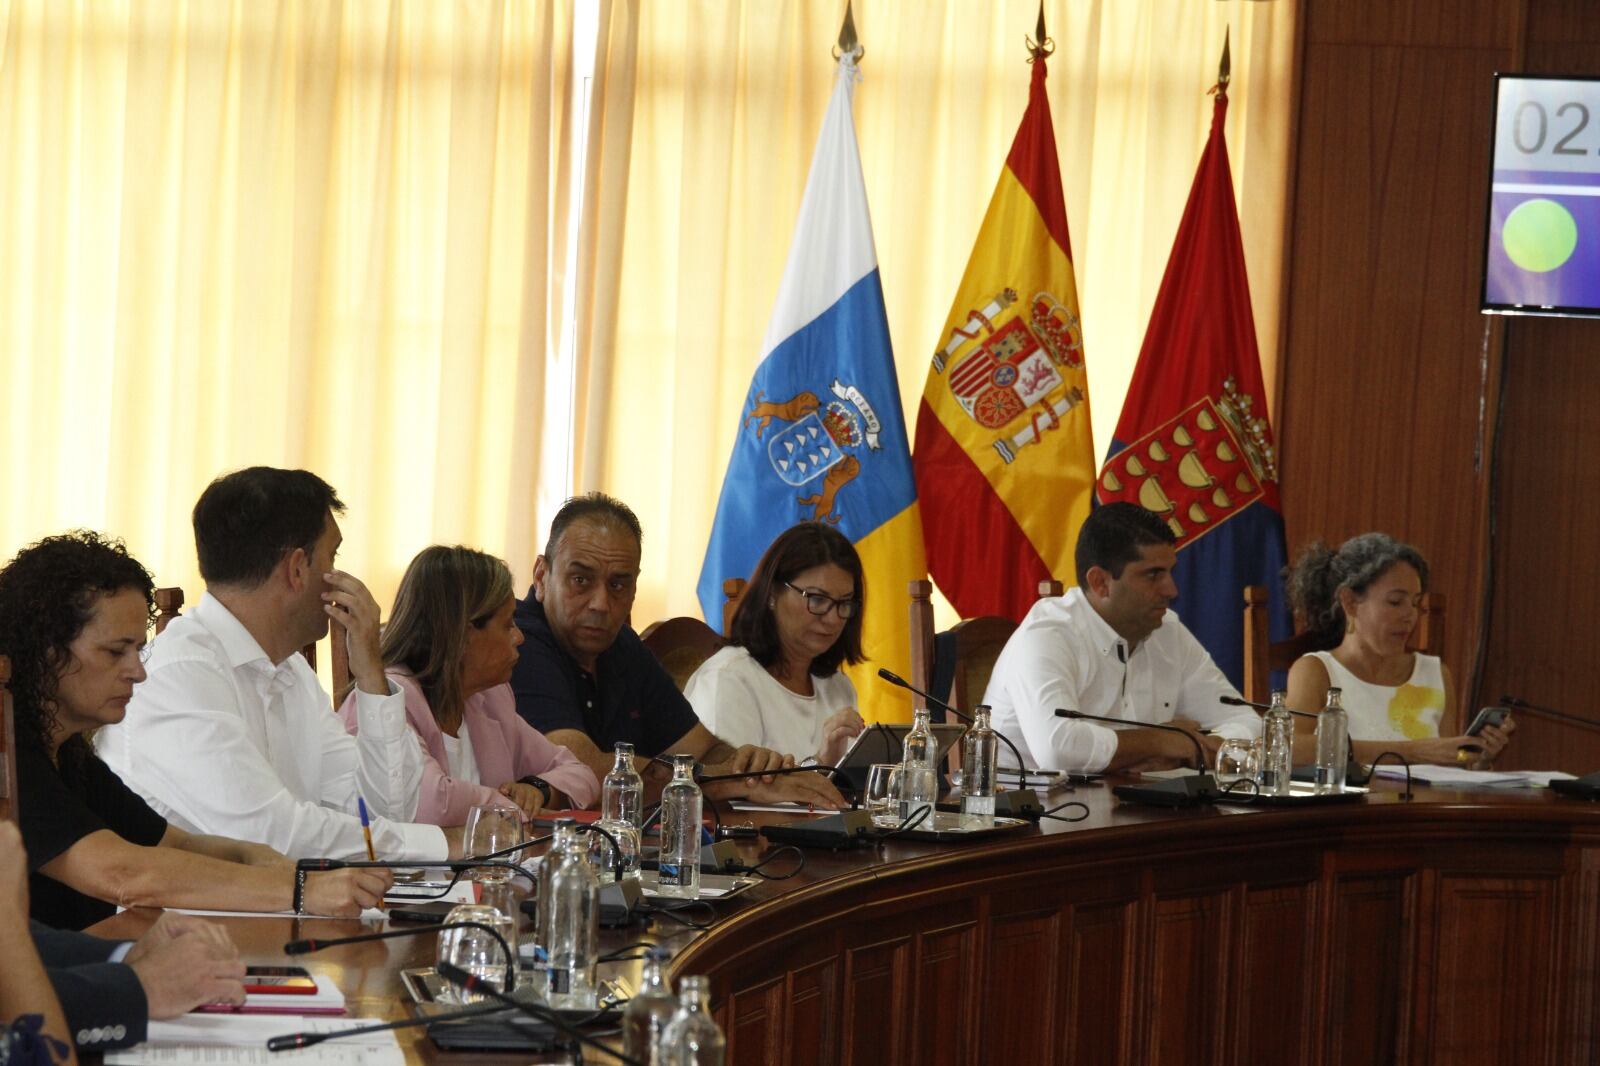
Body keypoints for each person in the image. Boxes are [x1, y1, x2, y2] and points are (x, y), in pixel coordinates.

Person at [0, 532, 391, 930]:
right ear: (48, 650)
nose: (138, 671)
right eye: (117, 651)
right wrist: (300, 889)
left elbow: (176, 843)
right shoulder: (10, 757)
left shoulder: (68, 756)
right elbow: (122, 873)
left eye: (138, 649)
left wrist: (254, 856)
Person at [98, 467, 460, 863]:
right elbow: (269, 838)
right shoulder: (176, 675)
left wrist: (372, 676)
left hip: (287, 909)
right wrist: (446, 845)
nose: (340, 575)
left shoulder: (292, 672)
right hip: (192, 922)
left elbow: (383, 812)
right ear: (298, 568)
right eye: (333, 555)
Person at [509, 493, 845, 807]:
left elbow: (703, 748)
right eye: (580, 580)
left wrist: (748, 766)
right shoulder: (516, 641)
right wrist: (724, 780)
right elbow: (580, 769)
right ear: (541, 576)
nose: (600, 603)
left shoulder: (621, 644)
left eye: (618, 585)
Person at [982, 502, 1259, 773]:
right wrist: (1161, 741)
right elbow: (1058, 749)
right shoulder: (1047, 635)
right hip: (1029, 812)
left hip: (1129, 808)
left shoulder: (1167, 631)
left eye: (1169, 572)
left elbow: (1247, 721)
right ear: (1100, 583)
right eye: (1153, 575)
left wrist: (1196, 748)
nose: (1171, 590)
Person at [340, 545, 599, 824]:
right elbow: (427, 801)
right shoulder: (383, 699)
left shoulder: (489, 698)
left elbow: (579, 772)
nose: (519, 637)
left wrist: (538, 789)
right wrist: (507, 806)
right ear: (463, 633)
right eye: (507, 624)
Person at [1283, 533, 1515, 766]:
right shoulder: (1316, 670)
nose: (1410, 616)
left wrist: (1479, 758)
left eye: (1415, 603)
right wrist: (1413, 752)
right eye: (1395, 602)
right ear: (1350, 602)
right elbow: (1290, 749)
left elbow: (1449, 771)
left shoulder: (1435, 674)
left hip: (1423, 802)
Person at [684, 523, 865, 764]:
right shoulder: (729, 678)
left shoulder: (838, 687)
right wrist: (821, 766)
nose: (832, 619)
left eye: (844, 603)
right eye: (817, 599)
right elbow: (726, 787)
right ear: (771, 594)